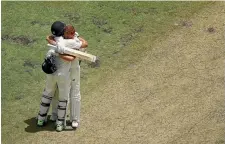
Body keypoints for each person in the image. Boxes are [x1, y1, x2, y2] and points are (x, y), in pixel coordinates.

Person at [46, 24, 88, 129]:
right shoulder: (64, 39)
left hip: (74, 70)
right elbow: (50, 38)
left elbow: (49, 38)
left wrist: (56, 46)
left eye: (67, 32)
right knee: (59, 93)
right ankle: (56, 116)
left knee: (75, 93)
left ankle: (74, 119)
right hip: (65, 71)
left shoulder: (71, 41)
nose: (65, 34)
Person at [37, 21, 72, 132]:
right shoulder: (66, 42)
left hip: (51, 74)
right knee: (63, 97)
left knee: (47, 94)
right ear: (62, 32)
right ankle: (59, 123)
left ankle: (40, 119)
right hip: (63, 75)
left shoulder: (51, 40)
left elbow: (50, 38)